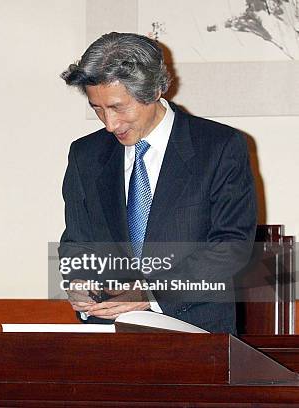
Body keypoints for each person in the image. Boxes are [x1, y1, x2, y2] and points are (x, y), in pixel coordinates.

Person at [59, 32, 256, 333]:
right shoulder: (85, 155)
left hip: (197, 334)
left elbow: (230, 247)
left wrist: (149, 294)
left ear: (154, 91)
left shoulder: (219, 147)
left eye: (118, 107)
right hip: (108, 337)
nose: (110, 124)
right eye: (97, 109)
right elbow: (77, 242)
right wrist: (78, 282)